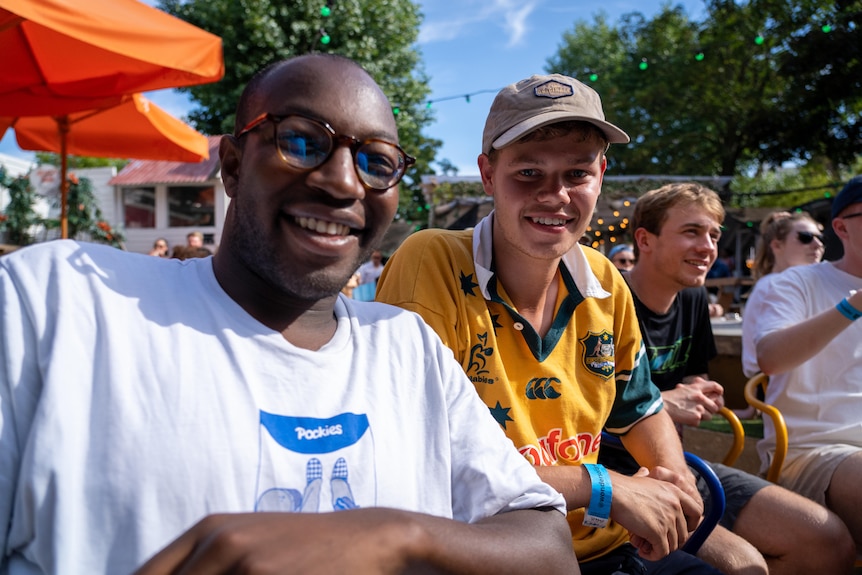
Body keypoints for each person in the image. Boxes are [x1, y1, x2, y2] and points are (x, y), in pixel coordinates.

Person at [0, 54, 575, 574]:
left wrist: (397, 535)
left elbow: (549, 549)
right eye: (301, 141)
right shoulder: (55, 302)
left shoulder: (407, 348)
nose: (343, 181)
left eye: (377, 162)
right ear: (231, 164)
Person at [378, 73, 719, 574]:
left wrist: (675, 485)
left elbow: (641, 409)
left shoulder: (604, 278)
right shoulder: (430, 260)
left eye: (576, 173)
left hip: (606, 547)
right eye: (529, 173)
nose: (554, 195)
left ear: (601, 174)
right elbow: (424, 460)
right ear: (488, 175)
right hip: (487, 554)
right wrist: (602, 485)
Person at [612, 182, 854, 574]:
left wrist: (698, 392)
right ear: (645, 239)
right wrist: (664, 402)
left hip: (681, 467)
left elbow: (694, 377)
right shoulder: (607, 298)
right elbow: (572, 403)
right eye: (691, 231)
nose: (708, 246)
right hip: (615, 475)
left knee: (827, 542)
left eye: (713, 234)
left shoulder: (691, 297)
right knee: (744, 567)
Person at [753, 175, 862, 554]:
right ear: (841, 227)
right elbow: (769, 358)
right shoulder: (797, 282)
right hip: (815, 449)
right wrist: (854, 305)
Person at [741, 210, 824, 378]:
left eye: (820, 238)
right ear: (777, 245)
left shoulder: (777, 282)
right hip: (774, 385)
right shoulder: (776, 285)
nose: (817, 244)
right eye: (805, 237)